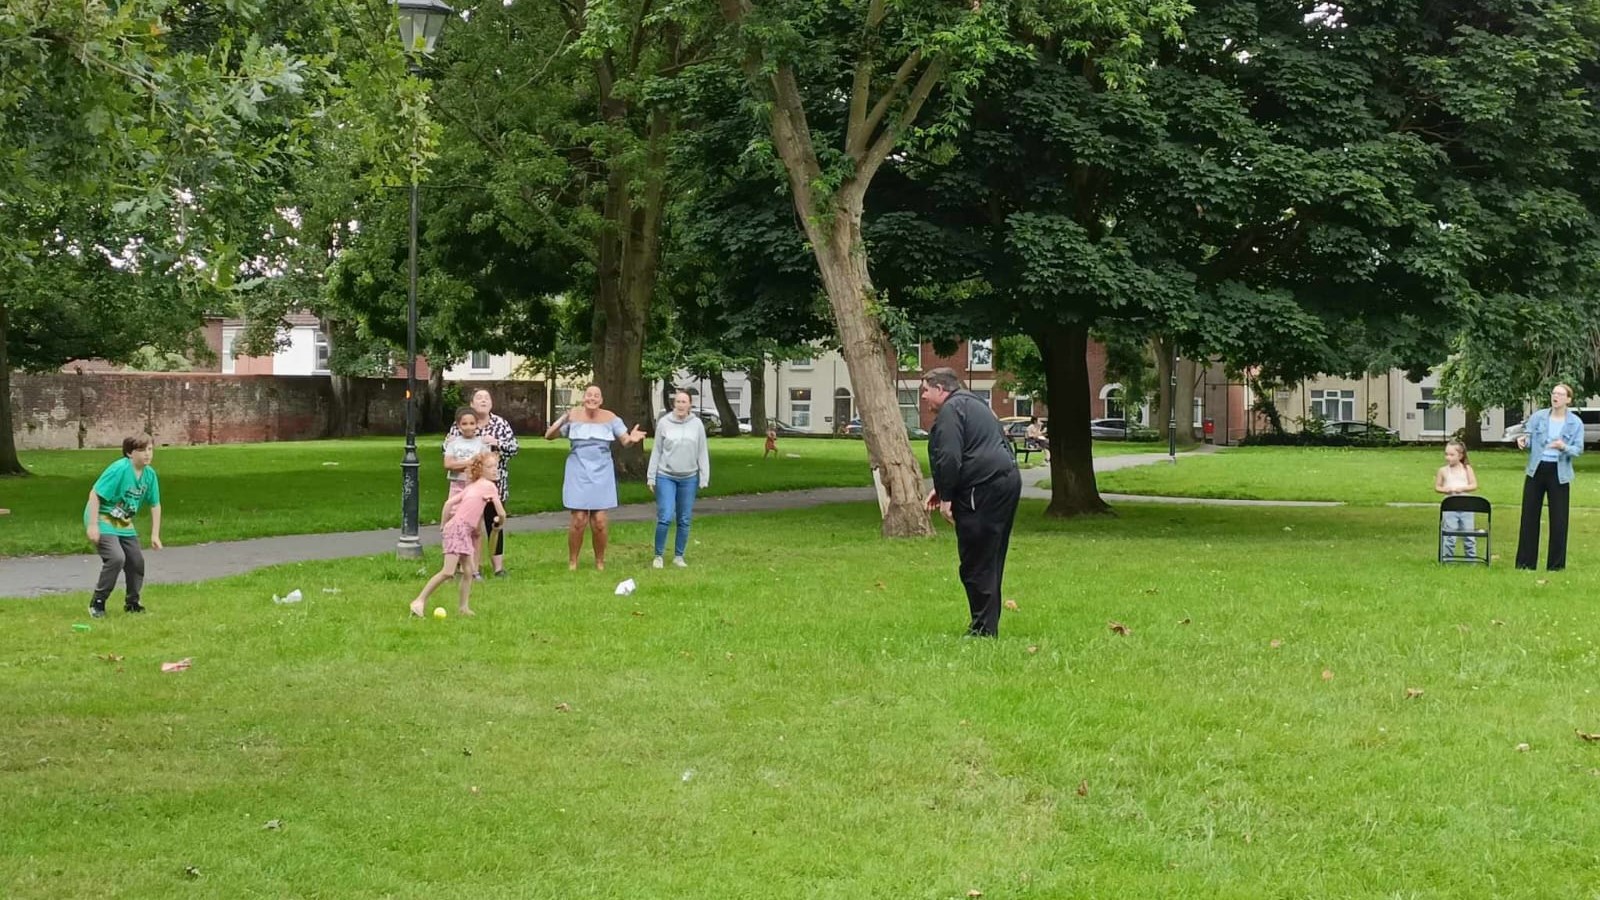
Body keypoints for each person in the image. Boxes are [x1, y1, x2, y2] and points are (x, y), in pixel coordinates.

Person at [921, 367, 1022, 637]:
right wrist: (941, 488)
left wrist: (947, 498)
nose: (923, 396)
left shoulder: (950, 411)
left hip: (983, 487)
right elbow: (990, 443)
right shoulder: (977, 405)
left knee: (976, 560)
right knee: (991, 556)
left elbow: (950, 457)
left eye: (926, 390)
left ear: (941, 390)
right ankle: (985, 625)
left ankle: (983, 630)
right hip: (1006, 481)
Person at [545, 384, 646, 570]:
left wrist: (631, 439)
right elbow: (549, 436)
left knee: (599, 521)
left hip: (602, 471)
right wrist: (561, 420)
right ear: (584, 398)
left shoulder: (611, 418)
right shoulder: (573, 416)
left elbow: (625, 441)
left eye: (596, 396)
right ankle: (573, 561)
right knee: (579, 519)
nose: (592, 398)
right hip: (578, 470)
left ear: (601, 400)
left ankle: (600, 561)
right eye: (589, 395)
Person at [410, 452, 505, 618]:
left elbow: (448, 504)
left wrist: (444, 525)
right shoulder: (490, 487)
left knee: (469, 571)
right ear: (480, 470)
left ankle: (463, 608)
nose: (494, 470)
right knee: (448, 572)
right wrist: (499, 520)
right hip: (459, 530)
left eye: (496, 466)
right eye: (490, 467)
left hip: (459, 529)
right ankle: (419, 601)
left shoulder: (472, 486)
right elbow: (501, 512)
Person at [83, 435, 163, 618]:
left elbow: (155, 504)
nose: (147, 454)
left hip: (123, 521)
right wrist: (93, 525)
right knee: (116, 558)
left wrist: (155, 535)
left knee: (136, 561)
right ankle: (98, 602)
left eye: (150, 449)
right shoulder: (119, 469)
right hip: (101, 516)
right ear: (129, 453)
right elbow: (95, 494)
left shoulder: (149, 475)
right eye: (142, 450)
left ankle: (132, 603)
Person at [446, 389, 518, 576]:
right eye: (479, 398)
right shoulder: (460, 424)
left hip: (494, 482)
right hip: (466, 484)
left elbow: (514, 448)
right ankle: (466, 566)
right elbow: (447, 450)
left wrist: (496, 442)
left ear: (492, 403)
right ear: (472, 403)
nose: (483, 401)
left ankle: (498, 567)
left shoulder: (500, 424)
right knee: (471, 525)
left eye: (487, 398)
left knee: (494, 523)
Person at [1515, 383, 1584, 570]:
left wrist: (1564, 447)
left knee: (1559, 520)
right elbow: (1528, 437)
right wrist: (1523, 441)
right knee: (1529, 516)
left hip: (1559, 473)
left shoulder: (1575, 423)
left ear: (1568, 399)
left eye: (1561, 394)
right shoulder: (1538, 417)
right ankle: (1525, 564)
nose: (1556, 397)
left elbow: (1578, 449)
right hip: (1536, 470)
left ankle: (1556, 566)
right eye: (1554, 393)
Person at [648, 390, 711, 569]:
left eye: (684, 402)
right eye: (678, 402)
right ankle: (658, 555)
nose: (681, 405)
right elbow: (657, 451)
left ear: (690, 404)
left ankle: (678, 556)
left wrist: (704, 476)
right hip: (666, 475)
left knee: (684, 518)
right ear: (674, 404)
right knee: (665, 516)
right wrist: (651, 476)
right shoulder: (664, 423)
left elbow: (702, 450)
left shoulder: (697, 424)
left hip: (689, 477)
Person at [1434, 439, 1480, 560]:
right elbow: (1437, 487)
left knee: (1468, 534)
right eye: (1446, 454)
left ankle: (1471, 559)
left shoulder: (1467, 469)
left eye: (1451, 455)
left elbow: (1474, 485)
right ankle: (1447, 559)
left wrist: (1463, 488)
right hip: (1450, 506)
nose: (1448, 457)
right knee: (1450, 535)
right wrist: (1446, 490)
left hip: (1466, 506)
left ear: (1460, 456)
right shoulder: (1443, 471)